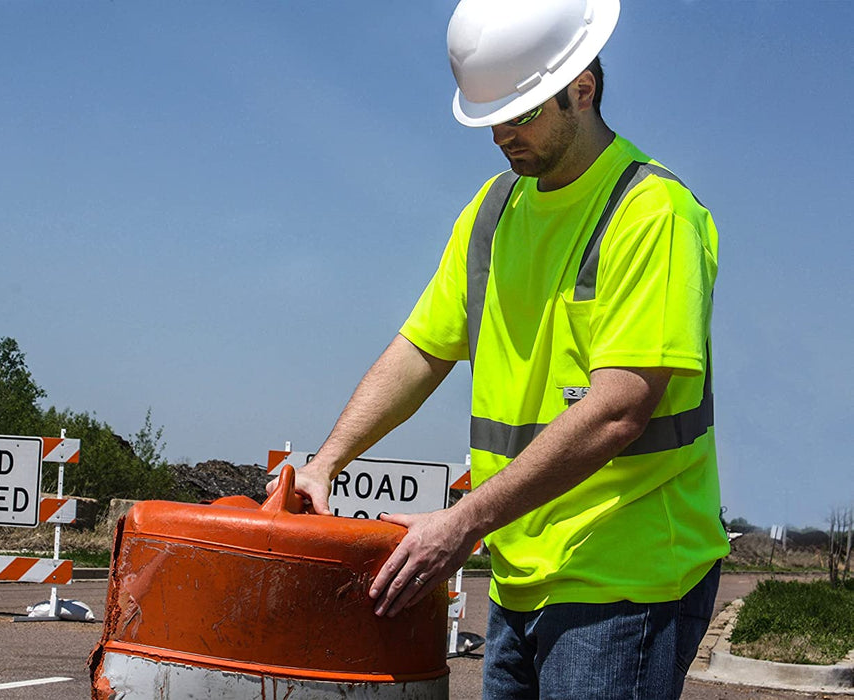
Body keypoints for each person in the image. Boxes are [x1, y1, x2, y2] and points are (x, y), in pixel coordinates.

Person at [270, 0, 729, 697]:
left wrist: (461, 523)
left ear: (582, 86)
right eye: (490, 119)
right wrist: (325, 462)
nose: (501, 137)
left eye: (520, 114)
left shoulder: (652, 213)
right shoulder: (492, 213)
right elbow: (421, 351)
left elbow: (618, 411)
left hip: (626, 577)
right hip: (521, 571)